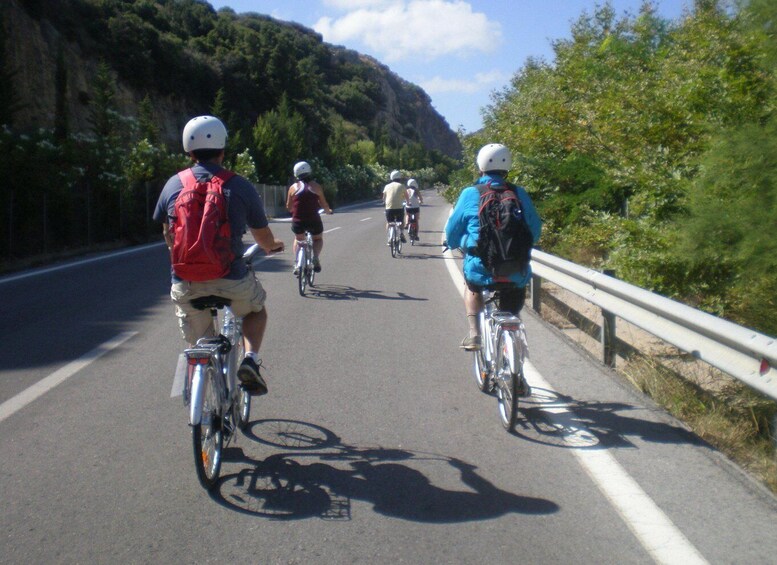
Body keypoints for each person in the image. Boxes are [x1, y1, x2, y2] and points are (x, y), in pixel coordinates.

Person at [153, 115, 284, 395]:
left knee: (200, 343)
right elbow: (262, 236)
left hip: (185, 281)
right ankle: (250, 360)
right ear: (223, 150)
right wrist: (272, 246)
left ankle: (204, 395)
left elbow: (167, 233)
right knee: (256, 311)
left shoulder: (172, 185)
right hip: (231, 277)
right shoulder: (238, 185)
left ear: (188, 151)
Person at [444, 143, 542, 351]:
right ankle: (513, 353)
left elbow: (453, 228)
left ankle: (475, 334)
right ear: (507, 167)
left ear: (480, 166)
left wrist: (454, 244)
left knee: (472, 287)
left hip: (481, 269)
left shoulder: (471, 193)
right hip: (516, 270)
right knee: (512, 307)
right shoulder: (519, 193)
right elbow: (535, 228)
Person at [285, 161, 333, 274]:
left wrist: (293, 211)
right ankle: (315, 257)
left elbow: (289, 206)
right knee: (318, 239)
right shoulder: (316, 187)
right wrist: (328, 211)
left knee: (298, 239)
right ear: (309, 171)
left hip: (298, 221)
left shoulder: (292, 188)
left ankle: (297, 263)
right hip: (313, 221)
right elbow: (324, 204)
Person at [383, 169, 408, 244]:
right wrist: (408, 202)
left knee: (389, 222)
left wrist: (384, 202)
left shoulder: (387, 186)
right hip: (399, 208)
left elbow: (383, 197)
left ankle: (389, 238)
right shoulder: (402, 186)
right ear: (399, 178)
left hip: (389, 208)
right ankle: (401, 233)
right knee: (401, 221)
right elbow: (406, 196)